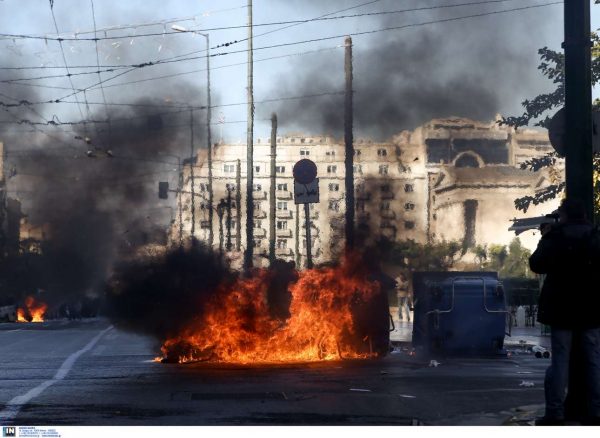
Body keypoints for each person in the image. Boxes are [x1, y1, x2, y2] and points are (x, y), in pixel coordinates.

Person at [529, 199, 600, 425]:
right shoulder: (595, 236)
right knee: (593, 360)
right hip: (591, 307)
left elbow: (536, 264)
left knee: (560, 361)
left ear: (565, 215)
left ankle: (555, 413)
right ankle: (596, 412)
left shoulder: (556, 236)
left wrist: (545, 236)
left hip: (562, 308)